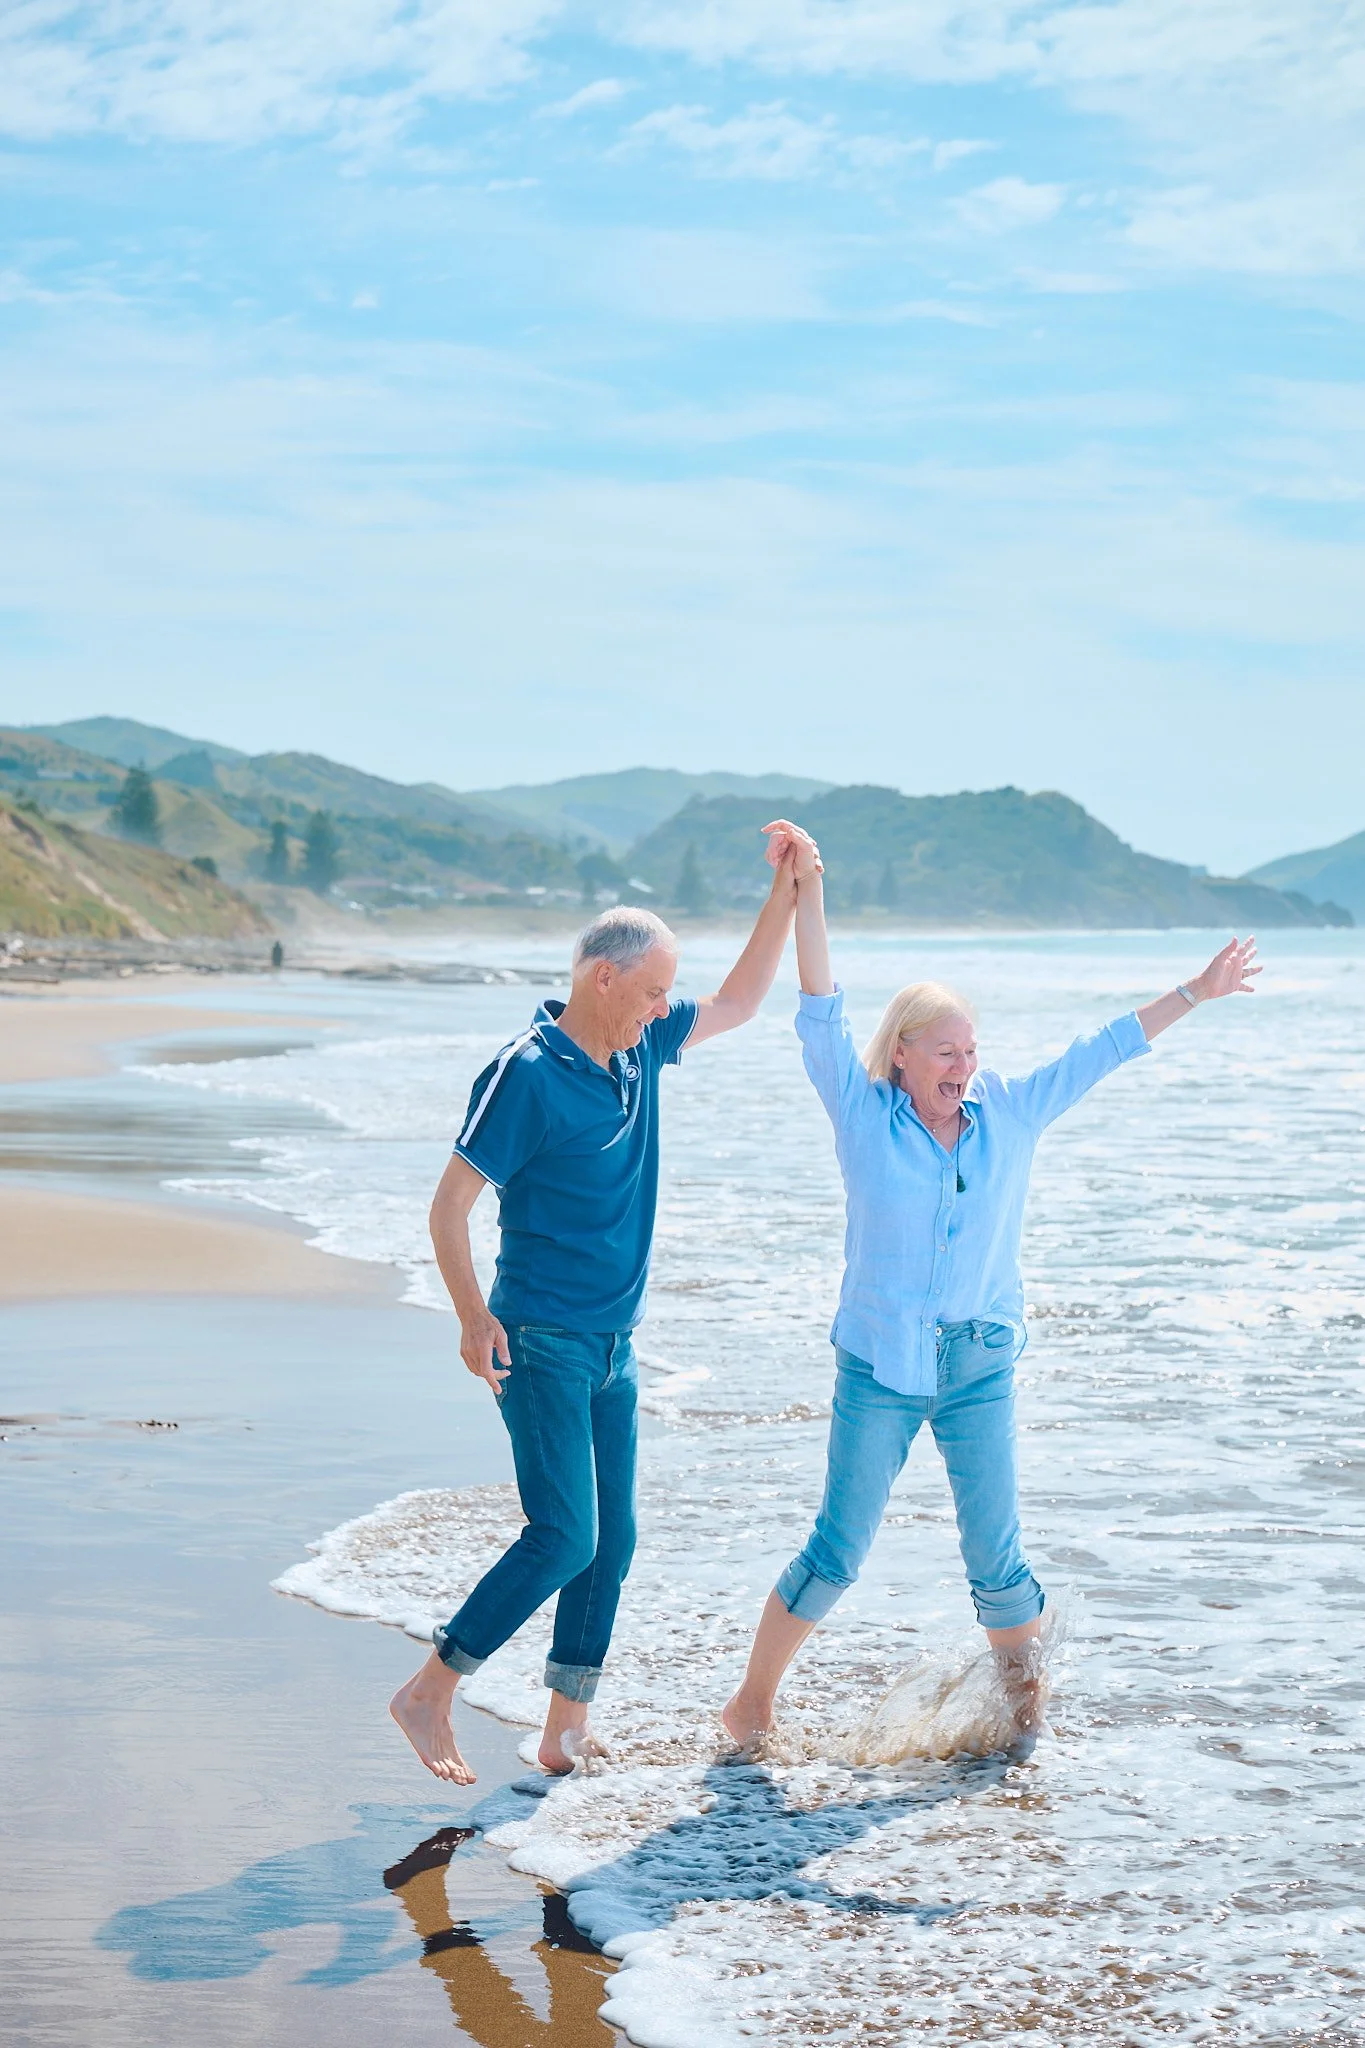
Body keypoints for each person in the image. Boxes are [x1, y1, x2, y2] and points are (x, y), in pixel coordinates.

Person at [723, 837, 1259, 1755]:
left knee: (996, 1560)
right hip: (880, 1362)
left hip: (978, 1361)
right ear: (901, 1055)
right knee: (838, 1550)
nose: (962, 1065)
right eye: (944, 1051)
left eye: (970, 1050)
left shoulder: (1007, 1111)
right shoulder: (862, 1115)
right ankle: (751, 1703)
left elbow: (1102, 1050)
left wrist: (1193, 994)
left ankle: (1025, 1725)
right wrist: (808, 891)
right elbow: (817, 1007)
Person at [392, 825, 818, 1785]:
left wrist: (791, 889)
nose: (667, 1007)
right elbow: (448, 1207)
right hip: (537, 1338)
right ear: (601, 979)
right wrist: (471, 1318)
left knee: (610, 1539)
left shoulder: (640, 1048)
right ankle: (429, 1689)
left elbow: (746, 998)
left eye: (670, 993)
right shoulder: (527, 1073)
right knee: (564, 1533)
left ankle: (563, 1730)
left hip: (614, 1343)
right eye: (656, 990)